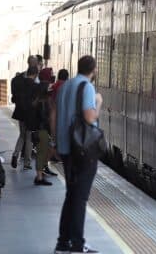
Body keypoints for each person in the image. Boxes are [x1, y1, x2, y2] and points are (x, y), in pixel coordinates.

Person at [54, 56, 102, 254]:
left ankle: (63, 243)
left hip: (66, 148)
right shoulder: (87, 87)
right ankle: (77, 243)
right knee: (80, 198)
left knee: (71, 195)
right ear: (94, 70)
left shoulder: (66, 86)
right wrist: (98, 102)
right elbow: (89, 117)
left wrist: (56, 142)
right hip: (82, 150)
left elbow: (53, 114)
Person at [11, 57, 38, 169]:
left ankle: (15, 154)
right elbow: (36, 102)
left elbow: (14, 96)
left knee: (22, 135)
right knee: (29, 137)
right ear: (35, 74)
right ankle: (27, 162)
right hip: (30, 114)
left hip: (20, 112)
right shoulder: (35, 86)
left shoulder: (19, 81)